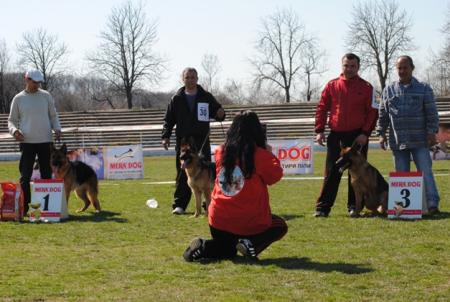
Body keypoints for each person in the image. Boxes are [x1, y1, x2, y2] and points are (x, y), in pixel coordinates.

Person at [183, 111, 288, 261]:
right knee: (280, 226)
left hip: (218, 220)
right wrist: (268, 153)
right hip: (249, 220)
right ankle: (250, 244)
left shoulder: (221, 152)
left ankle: (204, 247)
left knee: (227, 251)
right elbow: (275, 176)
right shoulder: (259, 155)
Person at [314, 53, 378, 217]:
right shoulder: (331, 85)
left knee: (357, 174)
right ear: (341, 66)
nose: (349, 69)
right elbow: (322, 108)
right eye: (346, 65)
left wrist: (365, 133)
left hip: (357, 137)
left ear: (358, 67)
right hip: (336, 136)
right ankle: (322, 209)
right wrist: (319, 130)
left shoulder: (367, 87)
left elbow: (372, 112)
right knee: (332, 172)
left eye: (352, 66)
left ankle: (354, 207)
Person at [377, 55, 440, 214]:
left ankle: (432, 204)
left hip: (420, 140)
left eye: (405, 67)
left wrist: (432, 132)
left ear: (412, 68)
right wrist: (381, 133)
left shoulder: (424, 88)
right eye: (399, 68)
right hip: (398, 141)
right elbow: (383, 114)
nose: (402, 71)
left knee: (426, 172)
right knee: (401, 176)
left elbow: (432, 113)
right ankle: (402, 208)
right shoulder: (388, 90)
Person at [161, 67, 225, 215]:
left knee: (207, 173)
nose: (190, 80)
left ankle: (208, 204)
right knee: (182, 172)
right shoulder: (176, 98)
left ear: (197, 79)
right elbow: (168, 120)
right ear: (183, 79)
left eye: (192, 77)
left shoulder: (206, 96)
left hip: (201, 140)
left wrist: (221, 113)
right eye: (187, 77)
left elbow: (218, 112)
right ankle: (180, 205)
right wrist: (165, 136)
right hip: (183, 141)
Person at [8, 69, 62, 215]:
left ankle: (47, 209)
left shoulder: (46, 96)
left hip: (45, 142)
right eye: (34, 82)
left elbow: (53, 115)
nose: (37, 85)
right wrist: (14, 131)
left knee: (46, 175)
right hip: (27, 143)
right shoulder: (18, 99)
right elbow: (11, 121)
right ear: (26, 79)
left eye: (39, 82)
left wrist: (57, 128)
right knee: (25, 177)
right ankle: (25, 209)